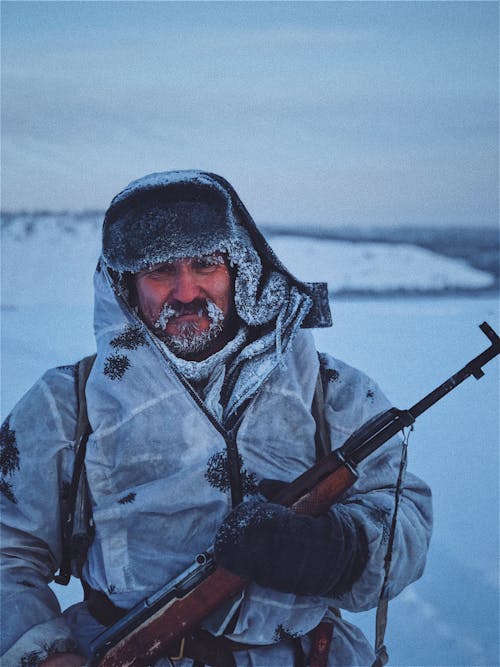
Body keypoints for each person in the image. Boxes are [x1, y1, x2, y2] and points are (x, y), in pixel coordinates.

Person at [0, 170, 432, 667]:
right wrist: (45, 655)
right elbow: (8, 550)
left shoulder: (327, 388)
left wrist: (338, 550)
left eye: (206, 265)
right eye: (160, 270)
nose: (186, 292)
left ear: (239, 270)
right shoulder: (68, 403)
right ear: (126, 283)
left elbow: (404, 511)